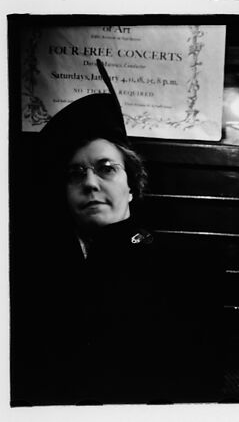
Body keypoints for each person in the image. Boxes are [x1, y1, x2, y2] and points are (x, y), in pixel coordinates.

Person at [10, 61, 222, 406]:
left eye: (106, 169)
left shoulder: (181, 267)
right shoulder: (31, 267)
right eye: (75, 173)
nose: (90, 182)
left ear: (131, 187)